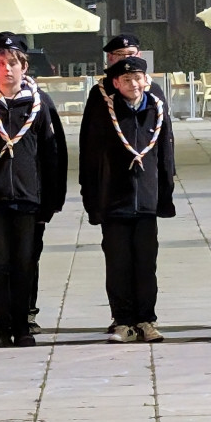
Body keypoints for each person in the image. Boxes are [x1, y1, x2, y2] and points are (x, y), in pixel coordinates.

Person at [0, 33, 65, 348]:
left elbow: (53, 154)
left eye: (13, 64)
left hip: (28, 200)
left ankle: (22, 326)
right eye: (1, 63)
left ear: (24, 66)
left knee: (24, 263)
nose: (7, 70)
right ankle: (2, 325)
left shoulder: (40, 103)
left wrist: (50, 203)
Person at [79, 34, 172, 333]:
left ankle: (147, 318)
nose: (133, 82)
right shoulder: (101, 98)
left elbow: (165, 151)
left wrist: (165, 195)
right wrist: (92, 198)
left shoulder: (155, 101)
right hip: (114, 198)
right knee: (118, 263)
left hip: (145, 198)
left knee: (146, 262)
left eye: (132, 58)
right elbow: (89, 151)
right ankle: (122, 319)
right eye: (119, 57)